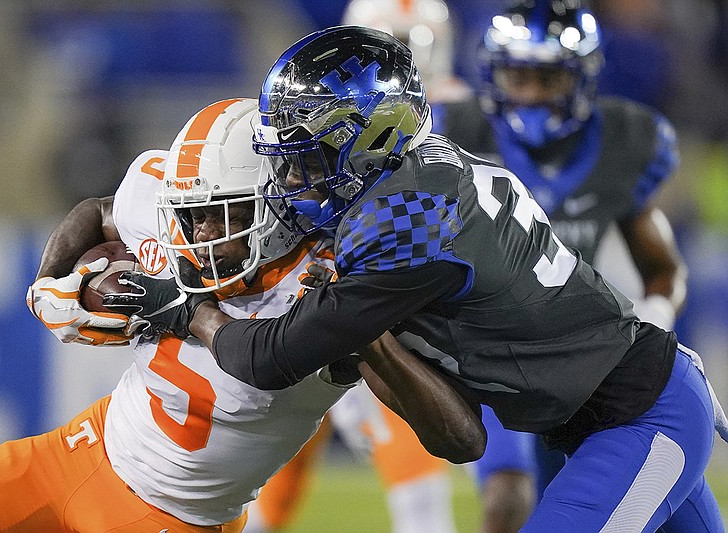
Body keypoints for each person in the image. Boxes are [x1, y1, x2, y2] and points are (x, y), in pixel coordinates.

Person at [108, 26, 728, 532]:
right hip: (619, 408)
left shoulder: (404, 226)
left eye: (309, 156)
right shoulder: (421, 176)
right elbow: (461, 437)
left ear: (373, 136)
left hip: (643, 416)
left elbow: (268, 359)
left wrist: (185, 310)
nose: (291, 179)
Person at [0, 98, 485, 532]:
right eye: (193, 217)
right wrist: (49, 283)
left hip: (178, 515)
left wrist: (369, 340)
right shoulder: (172, 206)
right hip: (81, 450)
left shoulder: (332, 284)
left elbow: (459, 437)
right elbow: (99, 212)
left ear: (277, 206)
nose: (203, 237)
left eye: (224, 217)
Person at [244, 2, 534, 532]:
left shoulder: (467, 117)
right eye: (395, 39)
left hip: (415, 310)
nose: (409, 52)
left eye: (415, 38)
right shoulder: (333, 123)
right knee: (280, 442)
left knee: (453, 468)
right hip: (350, 295)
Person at [430, 0, 689, 505]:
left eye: (547, 79)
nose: (529, 94)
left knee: (569, 494)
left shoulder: (624, 140)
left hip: (577, 355)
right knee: (511, 495)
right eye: (517, 77)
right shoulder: (454, 134)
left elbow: (662, 267)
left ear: (581, 77)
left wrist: (656, 316)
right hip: (487, 349)